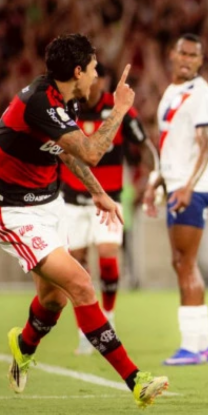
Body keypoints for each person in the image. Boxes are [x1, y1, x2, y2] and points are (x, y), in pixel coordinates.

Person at [0, 33, 168, 408]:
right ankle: (136, 381)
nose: (97, 76)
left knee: (53, 300)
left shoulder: (67, 100)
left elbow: (67, 153)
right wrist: (120, 108)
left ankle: (23, 346)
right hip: (11, 210)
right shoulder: (39, 102)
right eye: (94, 68)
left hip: (49, 203)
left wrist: (98, 192)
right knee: (81, 283)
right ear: (78, 71)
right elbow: (92, 152)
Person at [60, 63, 156, 355]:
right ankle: (84, 331)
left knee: (107, 256)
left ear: (105, 82)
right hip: (73, 200)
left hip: (109, 199)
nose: (93, 84)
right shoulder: (67, 109)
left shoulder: (119, 110)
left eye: (98, 79)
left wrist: (154, 178)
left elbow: (145, 146)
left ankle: (109, 317)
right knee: (77, 267)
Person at [142, 33, 208, 366]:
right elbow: (172, 147)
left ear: (201, 61)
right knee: (182, 262)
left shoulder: (201, 95)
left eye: (193, 55)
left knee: (184, 262)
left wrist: (188, 186)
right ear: (172, 55)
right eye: (183, 53)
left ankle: (192, 346)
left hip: (193, 186)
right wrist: (156, 181)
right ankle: (204, 344)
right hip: (178, 183)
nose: (187, 59)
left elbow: (207, 145)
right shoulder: (172, 92)